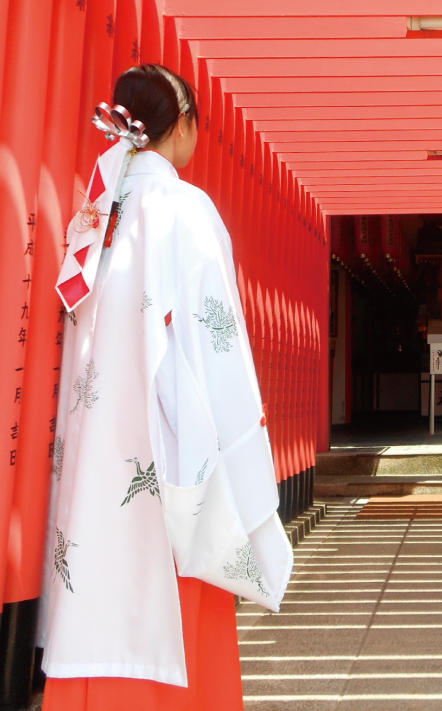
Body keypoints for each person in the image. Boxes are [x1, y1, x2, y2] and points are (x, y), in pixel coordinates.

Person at [40, 65, 293, 711]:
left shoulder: (96, 216)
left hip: (97, 460)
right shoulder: (185, 210)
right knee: (172, 613)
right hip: (165, 455)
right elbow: (217, 342)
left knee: (99, 598)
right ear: (183, 127)